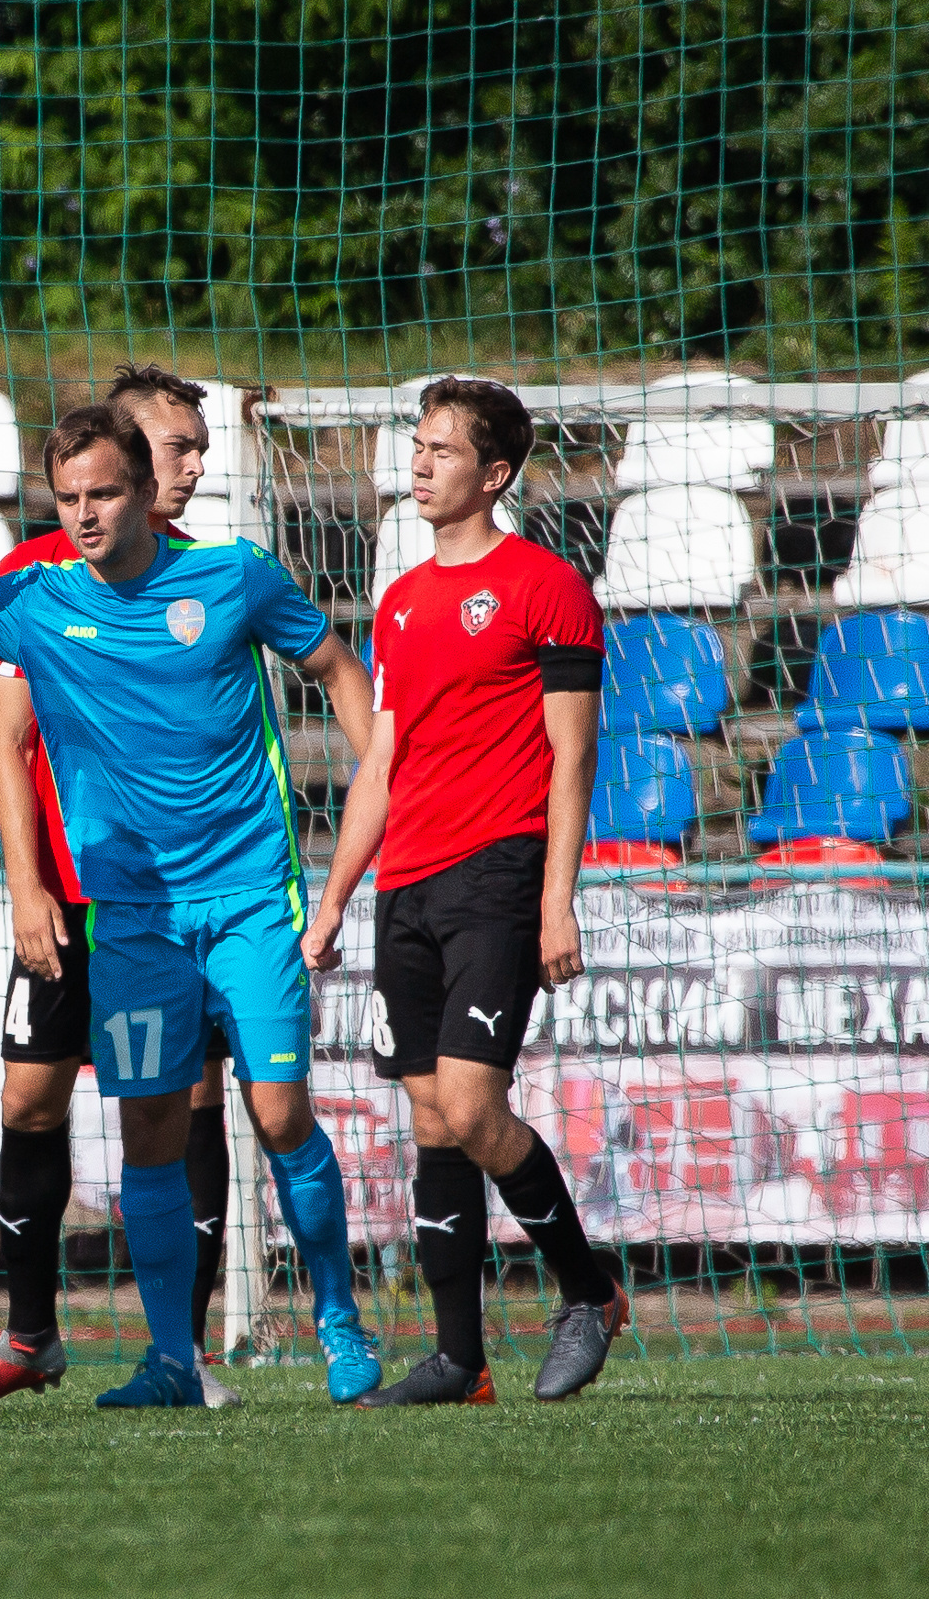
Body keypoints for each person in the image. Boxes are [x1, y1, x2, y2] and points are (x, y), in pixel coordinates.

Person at [0, 406, 382, 1410]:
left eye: (103, 492)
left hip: (244, 899)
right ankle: (171, 1360)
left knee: (278, 1112)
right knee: (148, 1126)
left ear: (146, 490)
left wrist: (378, 768)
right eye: (67, 498)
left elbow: (330, 664)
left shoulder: (231, 574)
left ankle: (338, 1317)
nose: (86, 514)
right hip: (131, 916)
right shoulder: (34, 599)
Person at [301, 376, 626, 1406]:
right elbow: (383, 764)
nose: (420, 461)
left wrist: (556, 898)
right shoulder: (396, 602)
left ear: (494, 473)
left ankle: (587, 1292)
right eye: (418, 443)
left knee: (473, 1102)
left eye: (443, 448)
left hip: (498, 871)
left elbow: (570, 758)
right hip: (405, 884)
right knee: (431, 1122)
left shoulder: (545, 587)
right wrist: (335, 893)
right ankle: (458, 1358)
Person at [0, 365, 250, 1411]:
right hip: (66, 894)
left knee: (184, 1105)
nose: (189, 467)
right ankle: (31, 1334)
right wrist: (26, 889)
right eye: (172, 447)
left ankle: (181, 1350)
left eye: (197, 450)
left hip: (171, 900)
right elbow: (9, 740)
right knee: (31, 1097)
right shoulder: (40, 572)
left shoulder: (212, 578)